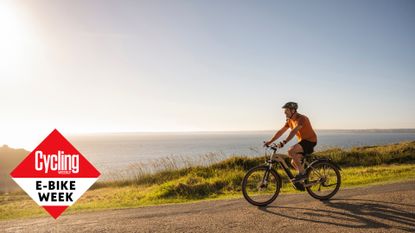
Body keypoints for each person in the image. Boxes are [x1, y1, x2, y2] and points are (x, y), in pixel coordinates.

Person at [264, 102, 317, 183]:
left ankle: (302, 174)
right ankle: (306, 178)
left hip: (310, 141)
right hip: (303, 141)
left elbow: (294, 131)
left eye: (286, 111)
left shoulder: (302, 118)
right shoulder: (290, 120)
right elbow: (281, 131)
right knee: (293, 161)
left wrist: (284, 142)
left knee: (291, 151)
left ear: (293, 110)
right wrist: (270, 141)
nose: (285, 113)